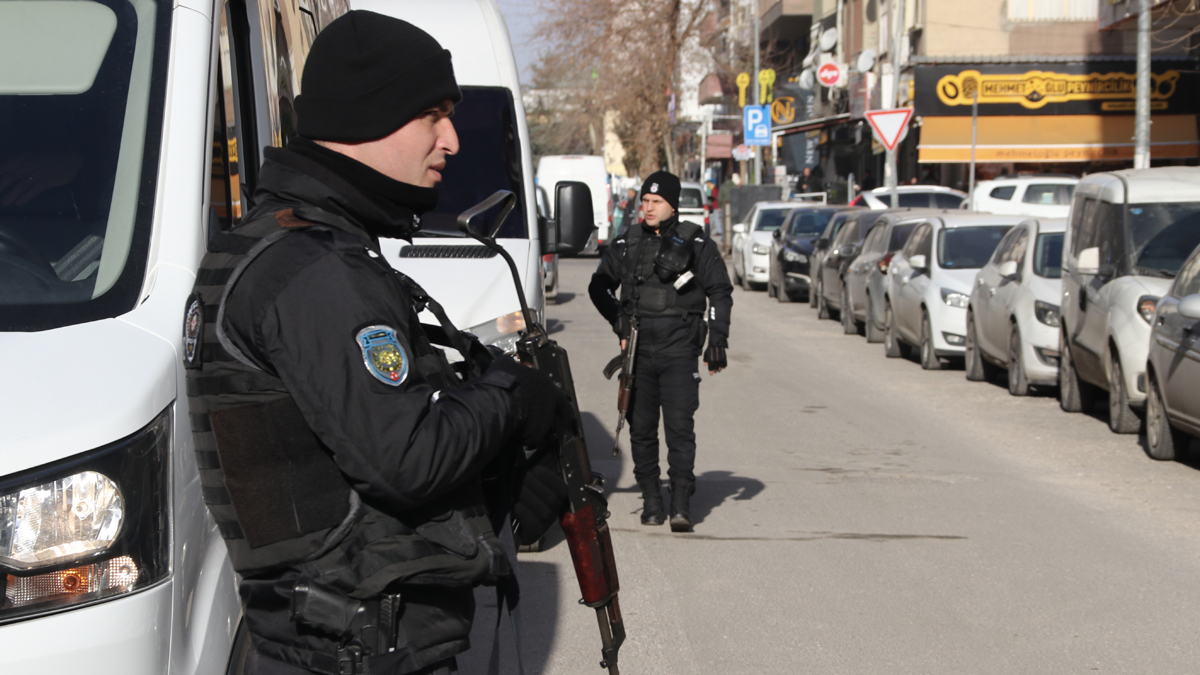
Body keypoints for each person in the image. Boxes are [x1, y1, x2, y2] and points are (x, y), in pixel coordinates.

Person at [183, 12, 567, 675]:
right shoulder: (316, 270)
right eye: (432, 116)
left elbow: (349, 445)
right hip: (354, 651)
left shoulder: (292, 246)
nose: (451, 140)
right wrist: (509, 399)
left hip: (339, 642)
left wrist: (497, 458)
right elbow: (406, 457)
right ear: (365, 117)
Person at [588, 170, 733, 533]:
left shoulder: (696, 243)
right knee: (641, 430)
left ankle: (680, 501)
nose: (649, 208)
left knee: (680, 428)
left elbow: (719, 291)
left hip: (679, 349)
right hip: (638, 352)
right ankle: (652, 500)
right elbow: (599, 286)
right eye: (645, 201)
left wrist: (717, 340)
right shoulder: (627, 242)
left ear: (673, 205)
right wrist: (619, 323)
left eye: (657, 202)